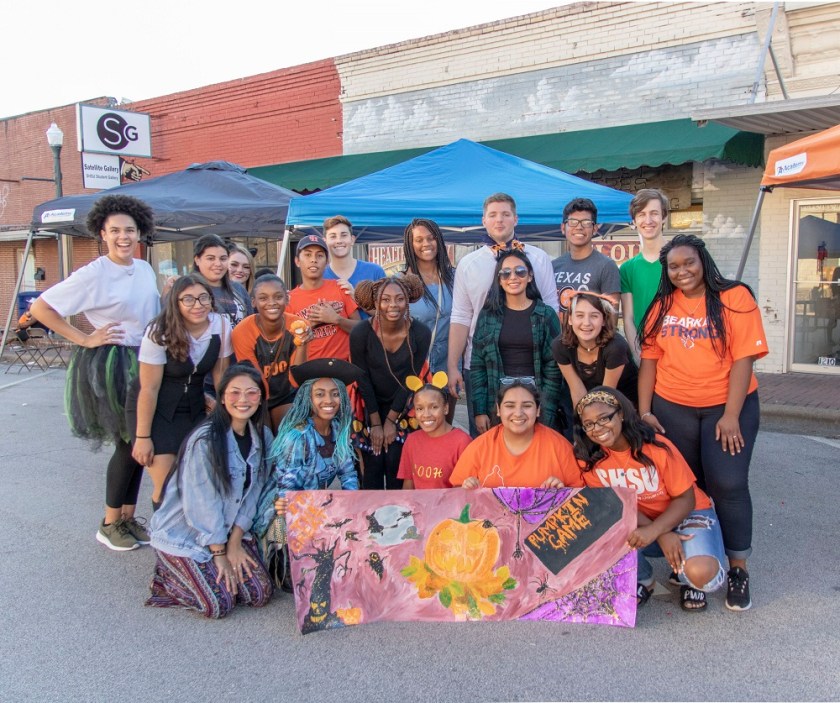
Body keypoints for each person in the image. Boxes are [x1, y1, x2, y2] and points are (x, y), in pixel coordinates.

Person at [638, 233, 769, 611]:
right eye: (674, 266)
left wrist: (730, 415)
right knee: (686, 487)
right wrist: (646, 410)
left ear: (703, 261)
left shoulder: (734, 298)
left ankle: (738, 568)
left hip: (727, 407)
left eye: (688, 263)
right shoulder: (662, 305)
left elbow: (744, 358)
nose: (682, 272)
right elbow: (649, 360)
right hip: (672, 406)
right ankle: (687, 569)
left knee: (727, 481)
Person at [30, 194, 160, 552]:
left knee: (139, 442)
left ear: (140, 233)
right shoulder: (93, 273)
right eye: (115, 230)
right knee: (128, 441)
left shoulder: (144, 268)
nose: (123, 237)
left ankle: (127, 517)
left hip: (145, 357)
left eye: (130, 230)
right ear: (102, 233)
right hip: (114, 365)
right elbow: (41, 307)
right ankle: (108, 522)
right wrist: (84, 338)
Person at [573, 387, 727, 611]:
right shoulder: (590, 459)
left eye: (604, 418)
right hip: (642, 522)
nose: (597, 429)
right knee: (599, 524)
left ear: (622, 414)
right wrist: (661, 533)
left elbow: (686, 499)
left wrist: (657, 530)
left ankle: (689, 576)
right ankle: (643, 578)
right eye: (589, 424)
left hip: (686, 513)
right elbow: (616, 505)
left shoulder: (655, 447)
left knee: (701, 573)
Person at [146, 364, 273, 618]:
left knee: (259, 594)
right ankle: (167, 578)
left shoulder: (262, 435)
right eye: (235, 392)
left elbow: (256, 490)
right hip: (186, 535)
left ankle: (205, 570)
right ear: (222, 397)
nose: (243, 400)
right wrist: (219, 553)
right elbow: (201, 503)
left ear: (260, 399)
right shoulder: (205, 440)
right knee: (218, 605)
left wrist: (235, 541)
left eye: (252, 393)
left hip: (227, 532)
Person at [448, 193, 559, 436]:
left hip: (534, 362)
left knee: (536, 439)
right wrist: (453, 365)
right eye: (493, 215)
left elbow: (553, 310)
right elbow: (461, 317)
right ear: (484, 220)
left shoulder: (538, 258)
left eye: (506, 214)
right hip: (482, 365)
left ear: (516, 219)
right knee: (488, 439)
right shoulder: (469, 263)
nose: (499, 220)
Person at [252, 358, 362, 588]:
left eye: (334, 394)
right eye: (320, 394)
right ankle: (279, 562)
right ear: (308, 399)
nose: (328, 400)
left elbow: (349, 475)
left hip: (313, 506)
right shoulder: (298, 437)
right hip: (283, 512)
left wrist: (353, 508)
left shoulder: (337, 430)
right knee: (305, 577)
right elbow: (287, 491)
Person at [128, 274, 231, 510]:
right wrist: (143, 437)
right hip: (157, 410)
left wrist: (224, 414)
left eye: (203, 298)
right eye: (189, 299)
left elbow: (220, 376)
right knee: (167, 486)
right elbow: (149, 388)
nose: (198, 305)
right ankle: (164, 541)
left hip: (195, 408)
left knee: (194, 480)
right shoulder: (159, 331)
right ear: (176, 303)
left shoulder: (221, 324)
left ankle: (190, 538)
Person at [350, 274, 431, 489]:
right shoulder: (360, 333)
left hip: (403, 406)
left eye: (399, 299)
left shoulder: (421, 333)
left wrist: (391, 421)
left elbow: (411, 380)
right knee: (372, 468)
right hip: (369, 405)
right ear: (375, 303)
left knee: (397, 466)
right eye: (385, 300)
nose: (392, 305)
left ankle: (400, 520)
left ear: (408, 301)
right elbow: (362, 379)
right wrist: (376, 423)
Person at [470, 250, 562, 433]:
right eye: (505, 273)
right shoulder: (488, 315)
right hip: (497, 402)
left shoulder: (545, 315)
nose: (513, 277)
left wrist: (547, 410)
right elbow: (478, 365)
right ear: (499, 279)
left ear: (530, 276)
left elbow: (554, 368)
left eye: (520, 271)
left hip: (535, 402)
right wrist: (479, 411)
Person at [451, 378, 578, 489]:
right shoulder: (480, 447)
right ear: (499, 410)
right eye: (510, 406)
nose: (518, 413)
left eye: (527, 406)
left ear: (538, 410)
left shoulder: (560, 447)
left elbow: (580, 495)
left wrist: (562, 493)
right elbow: (456, 493)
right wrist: (468, 489)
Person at [232, 274, 313, 432]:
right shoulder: (242, 331)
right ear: (253, 302)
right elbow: (253, 378)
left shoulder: (299, 325)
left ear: (287, 299)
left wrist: (302, 344)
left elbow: (297, 379)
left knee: (289, 431)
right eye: (263, 298)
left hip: (286, 393)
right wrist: (266, 419)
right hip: (255, 393)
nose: (271, 303)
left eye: (278, 297)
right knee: (263, 432)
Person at [551, 292, 638, 410]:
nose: (586, 323)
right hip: (589, 402)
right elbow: (577, 390)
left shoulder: (616, 347)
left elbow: (606, 395)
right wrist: (582, 422)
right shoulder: (560, 346)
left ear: (603, 320)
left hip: (622, 401)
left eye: (594, 316)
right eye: (580, 315)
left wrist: (594, 423)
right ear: (570, 319)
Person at [286, 233, 361, 361]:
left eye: (319, 255)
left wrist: (336, 319)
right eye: (308, 254)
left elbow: (360, 329)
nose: (313, 259)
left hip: (342, 369)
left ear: (327, 262)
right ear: (297, 261)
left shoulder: (340, 288)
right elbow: (286, 343)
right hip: (308, 372)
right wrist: (310, 324)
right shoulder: (289, 300)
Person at [620, 189, 670, 363]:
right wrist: (638, 356)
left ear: (664, 217)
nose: (648, 220)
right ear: (634, 221)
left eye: (654, 213)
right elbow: (628, 319)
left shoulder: (681, 261)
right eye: (641, 214)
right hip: (646, 355)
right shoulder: (627, 269)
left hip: (680, 353)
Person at [552, 197, 621, 320]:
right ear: (563, 228)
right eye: (573, 222)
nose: (579, 227)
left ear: (594, 229)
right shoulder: (553, 266)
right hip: (558, 338)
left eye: (586, 222)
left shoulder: (606, 266)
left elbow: (611, 319)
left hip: (591, 338)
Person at [402, 218, 455, 375]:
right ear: (410, 245)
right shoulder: (401, 282)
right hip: (415, 362)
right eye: (419, 240)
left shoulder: (455, 277)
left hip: (449, 361)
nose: (426, 243)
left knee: (447, 399)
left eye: (431, 238)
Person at [398, 379, 471, 489]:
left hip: (449, 505)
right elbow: (408, 486)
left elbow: (463, 492)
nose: (426, 414)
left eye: (434, 407)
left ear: (445, 408)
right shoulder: (412, 440)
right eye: (420, 408)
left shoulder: (462, 442)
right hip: (418, 506)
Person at [322, 215, 386, 312]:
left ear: (352, 240)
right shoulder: (319, 276)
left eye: (343, 235)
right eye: (333, 236)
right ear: (325, 241)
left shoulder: (375, 271)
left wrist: (356, 297)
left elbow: (387, 314)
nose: (339, 241)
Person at [192, 234, 252, 328]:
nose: (218, 264)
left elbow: (250, 324)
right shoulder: (186, 290)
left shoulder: (238, 289)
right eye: (210, 258)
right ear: (197, 260)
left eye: (223, 258)